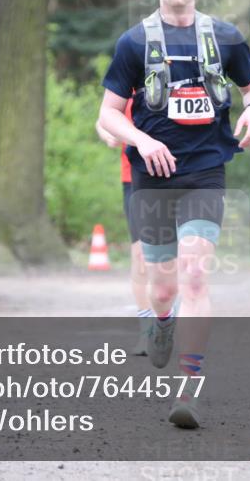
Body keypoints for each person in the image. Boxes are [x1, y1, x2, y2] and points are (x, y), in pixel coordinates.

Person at [98, 0, 250, 428]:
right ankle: (161, 321)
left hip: (205, 173)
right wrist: (141, 141)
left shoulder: (226, 38)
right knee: (163, 287)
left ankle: (188, 392)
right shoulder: (134, 43)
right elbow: (108, 114)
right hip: (151, 178)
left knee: (195, 275)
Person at [94, 98, 151, 356]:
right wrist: (107, 133)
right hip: (134, 177)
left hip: (177, 174)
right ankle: (148, 330)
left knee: (175, 254)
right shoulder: (127, 76)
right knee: (140, 253)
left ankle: (175, 318)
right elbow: (103, 119)